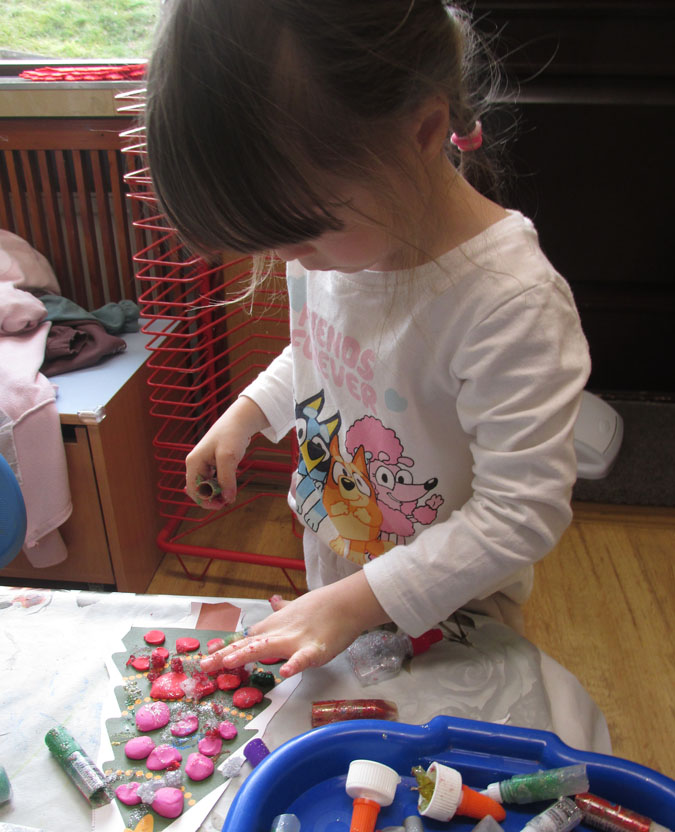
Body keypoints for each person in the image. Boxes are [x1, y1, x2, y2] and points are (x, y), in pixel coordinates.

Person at [145, 1, 591, 683]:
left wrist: (354, 604)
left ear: (423, 132)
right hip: (340, 566)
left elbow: (521, 513)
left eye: (301, 232)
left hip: (454, 611)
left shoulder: (510, 302)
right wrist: (248, 413)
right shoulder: (339, 241)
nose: (291, 258)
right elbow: (321, 350)